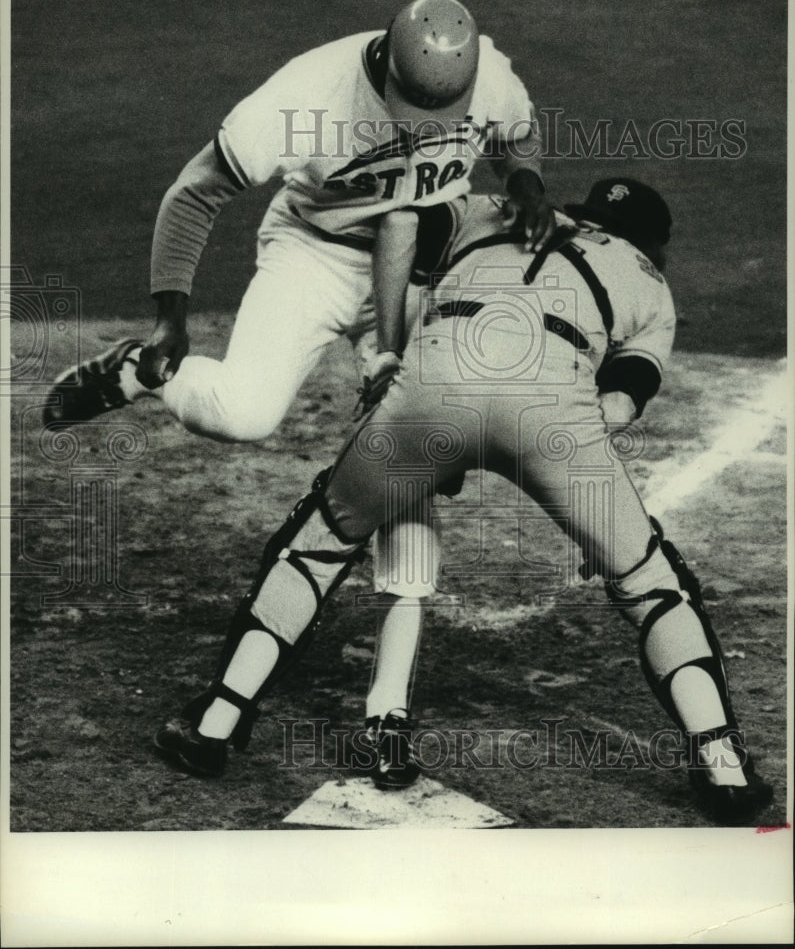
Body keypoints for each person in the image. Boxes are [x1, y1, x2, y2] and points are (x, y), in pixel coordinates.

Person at [152, 177, 774, 825]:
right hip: (551, 415)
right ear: (652, 244)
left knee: (318, 544)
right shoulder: (650, 284)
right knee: (653, 584)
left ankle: (216, 722)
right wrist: (592, 507)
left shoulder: (497, 210)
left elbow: (397, 226)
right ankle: (724, 769)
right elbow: (615, 408)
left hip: (434, 383)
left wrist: (392, 356)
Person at [42, 0, 555, 772]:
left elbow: (516, 138)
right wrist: (169, 320)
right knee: (241, 412)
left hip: (419, 265)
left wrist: (524, 184)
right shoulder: (303, 96)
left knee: (405, 465)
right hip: (313, 252)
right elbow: (194, 192)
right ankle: (140, 371)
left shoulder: (488, 79)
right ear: (386, 68)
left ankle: (387, 709)